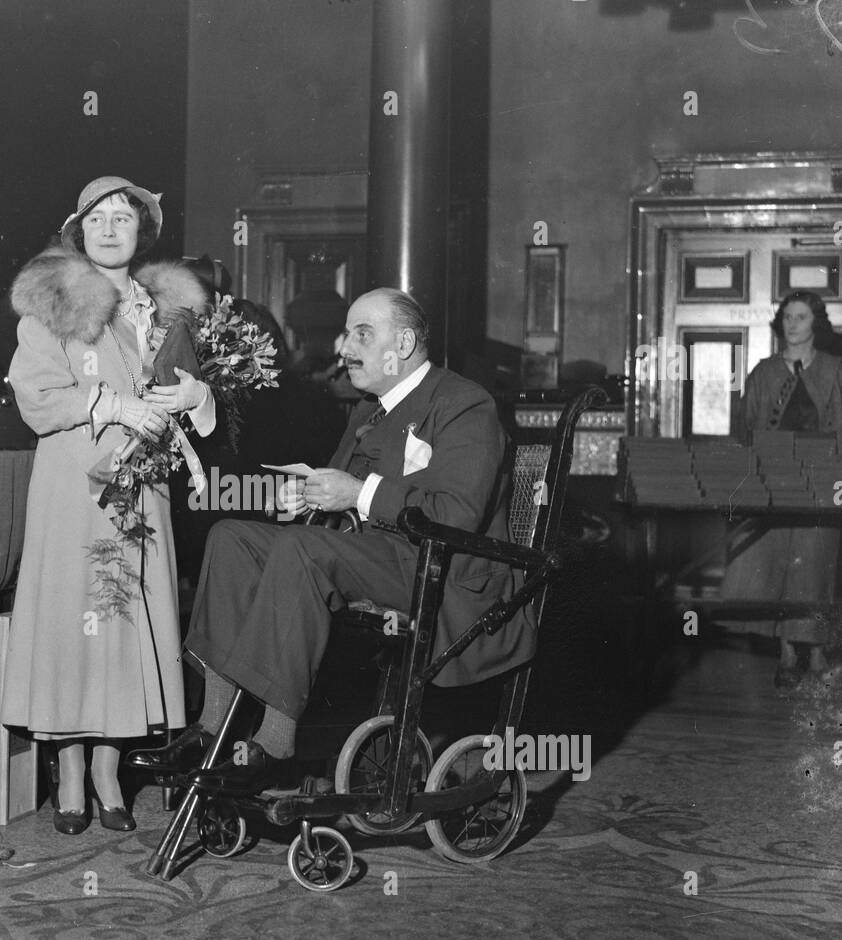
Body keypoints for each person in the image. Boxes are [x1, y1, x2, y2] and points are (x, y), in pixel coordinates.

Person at [128, 287, 537, 793]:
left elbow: (456, 514)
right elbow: (346, 499)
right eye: (347, 333)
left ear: (404, 342)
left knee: (303, 551)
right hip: (377, 557)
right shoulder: (367, 412)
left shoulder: (463, 403)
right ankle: (211, 728)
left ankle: (275, 741)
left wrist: (356, 493)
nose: (345, 347)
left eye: (362, 334)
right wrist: (310, 498)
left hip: (442, 575)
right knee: (231, 537)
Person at [2, 176, 215, 832]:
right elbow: (34, 395)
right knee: (75, 618)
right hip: (74, 481)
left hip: (142, 485)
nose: (110, 226)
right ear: (79, 228)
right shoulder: (55, 299)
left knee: (123, 616)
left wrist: (195, 400)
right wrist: (109, 404)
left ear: (142, 230)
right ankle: (69, 769)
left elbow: (200, 398)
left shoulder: (169, 306)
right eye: (98, 217)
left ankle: (107, 769)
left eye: (124, 216)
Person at [720, 290, 842, 684]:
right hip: (776, 484)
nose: (792, 323)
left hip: (821, 486)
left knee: (815, 568)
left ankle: (815, 654)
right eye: (787, 317)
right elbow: (745, 430)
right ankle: (784, 655)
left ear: (815, 323)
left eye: (800, 317)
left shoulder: (836, 371)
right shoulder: (763, 373)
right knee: (778, 565)